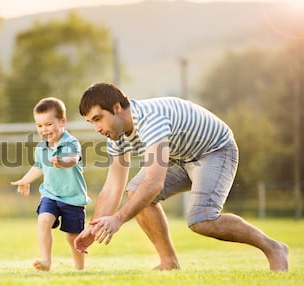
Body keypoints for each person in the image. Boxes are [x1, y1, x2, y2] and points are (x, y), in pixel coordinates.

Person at [73, 82, 289, 272]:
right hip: (179, 156)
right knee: (135, 191)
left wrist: (118, 219)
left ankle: (273, 247)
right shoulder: (115, 136)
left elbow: (154, 183)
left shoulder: (150, 120)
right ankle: (169, 262)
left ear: (117, 108)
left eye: (98, 119)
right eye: (92, 122)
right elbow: (112, 187)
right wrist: (94, 228)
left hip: (214, 150)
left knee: (202, 220)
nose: (97, 128)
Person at [11, 97, 90, 271]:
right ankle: (46, 260)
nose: (44, 129)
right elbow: (38, 167)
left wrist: (63, 161)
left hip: (73, 198)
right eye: (39, 126)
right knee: (44, 220)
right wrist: (25, 180)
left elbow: (74, 159)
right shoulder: (41, 147)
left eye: (48, 124)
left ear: (62, 122)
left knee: (72, 237)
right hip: (50, 194)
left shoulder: (71, 142)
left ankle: (79, 268)